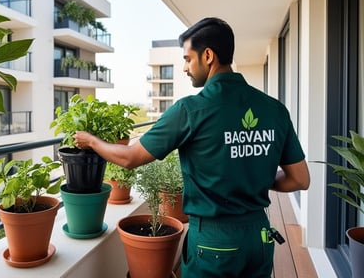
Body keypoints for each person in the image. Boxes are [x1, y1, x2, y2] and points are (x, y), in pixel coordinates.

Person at [73, 17, 310, 277]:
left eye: (188, 59)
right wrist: (258, 178)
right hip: (259, 236)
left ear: (208, 56)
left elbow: (131, 157)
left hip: (213, 242)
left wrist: (92, 141)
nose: (185, 68)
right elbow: (300, 179)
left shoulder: (190, 110)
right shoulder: (275, 109)